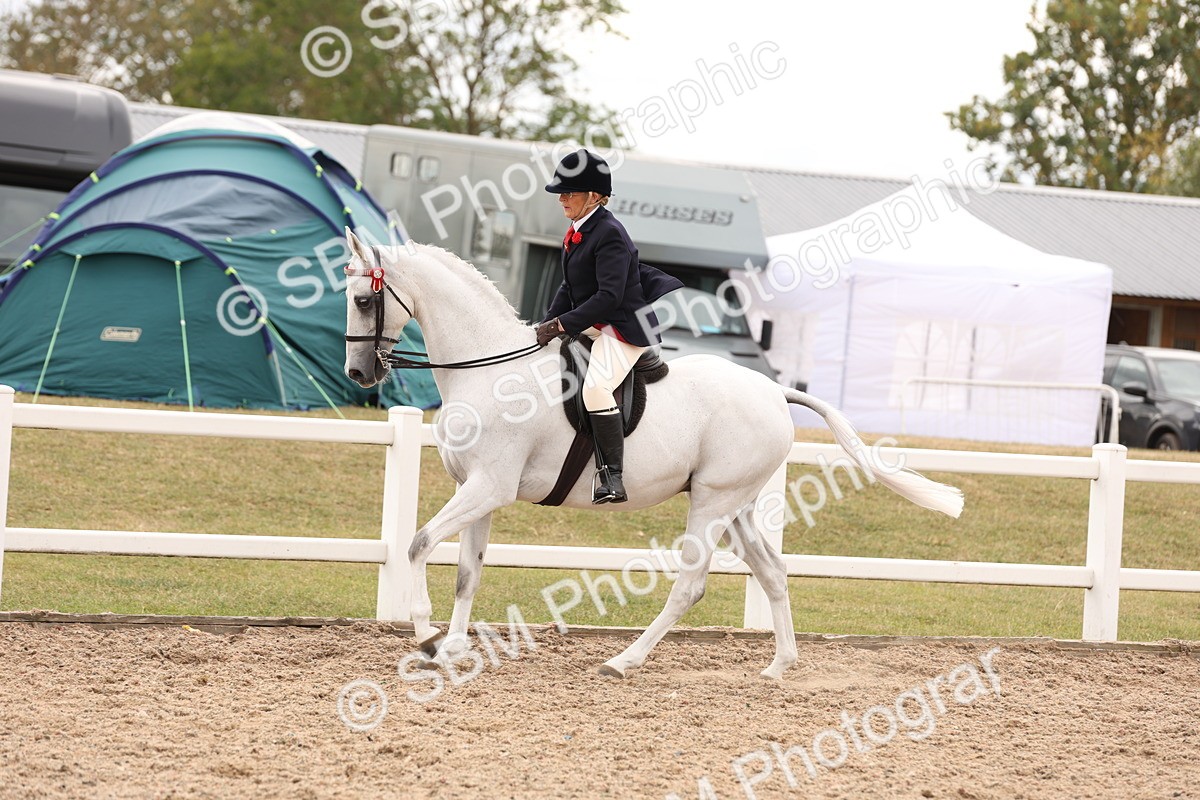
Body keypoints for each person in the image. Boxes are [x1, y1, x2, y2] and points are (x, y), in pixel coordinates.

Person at [535, 149, 683, 504]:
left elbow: (609, 298)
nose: (562, 198)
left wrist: (562, 324)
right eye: (561, 192)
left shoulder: (610, 233)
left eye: (570, 192)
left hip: (622, 326)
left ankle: (612, 477)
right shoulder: (577, 231)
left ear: (595, 196)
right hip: (596, 320)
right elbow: (568, 288)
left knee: (595, 389)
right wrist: (544, 325)